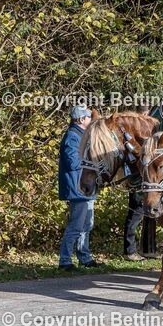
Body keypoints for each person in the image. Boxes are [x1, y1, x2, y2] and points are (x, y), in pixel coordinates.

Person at [58, 106, 101, 270]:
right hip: (78, 187)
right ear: (81, 120)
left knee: (87, 225)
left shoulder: (81, 135)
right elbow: (72, 163)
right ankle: (65, 260)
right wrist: (92, 161)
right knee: (76, 225)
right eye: (89, 117)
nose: (91, 120)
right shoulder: (72, 136)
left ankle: (85, 257)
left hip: (86, 187)